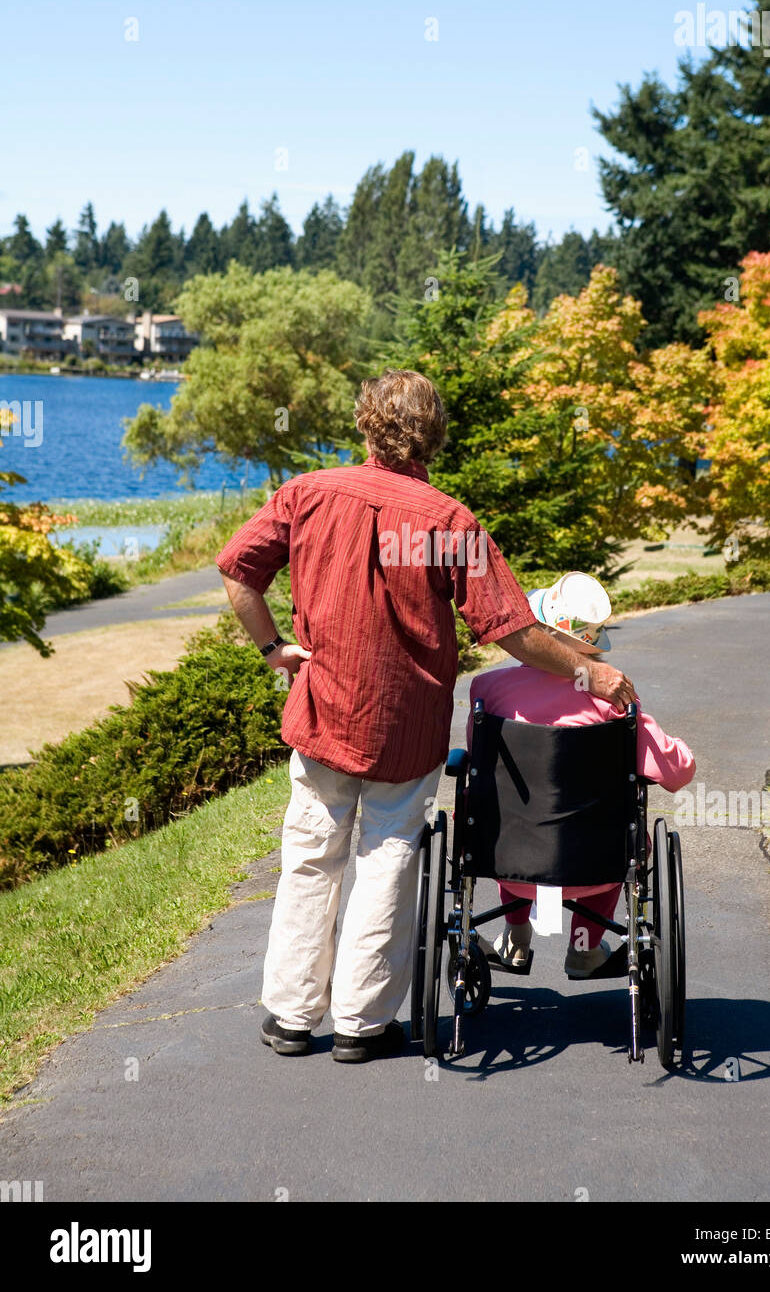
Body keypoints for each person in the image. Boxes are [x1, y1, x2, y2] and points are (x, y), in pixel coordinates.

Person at [215, 371, 636, 1063]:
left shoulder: (307, 493)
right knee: (386, 860)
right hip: (404, 726)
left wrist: (272, 649)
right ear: (434, 432)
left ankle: (291, 1018)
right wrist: (592, 671)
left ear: (365, 423)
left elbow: (238, 571)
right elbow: (513, 630)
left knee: (309, 861)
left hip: (322, 712)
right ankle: (361, 1024)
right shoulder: (448, 521)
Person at [469, 572, 695, 978]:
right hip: (597, 863)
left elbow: (477, 761)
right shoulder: (613, 700)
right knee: (619, 825)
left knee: (507, 805)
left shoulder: (489, 690)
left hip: (505, 855)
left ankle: (516, 938)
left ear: (539, 628)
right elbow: (676, 773)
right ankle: (585, 948)